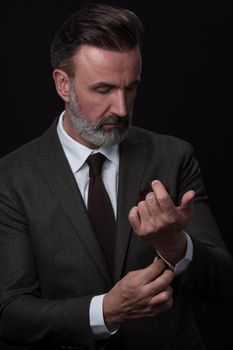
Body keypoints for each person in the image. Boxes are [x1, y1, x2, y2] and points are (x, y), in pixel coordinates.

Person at [0, 3, 232, 350]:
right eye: (104, 90)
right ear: (63, 84)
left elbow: (223, 283)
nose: (122, 109)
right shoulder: (12, 176)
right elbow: (10, 313)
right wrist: (105, 311)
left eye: (131, 87)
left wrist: (175, 246)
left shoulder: (174, 156)